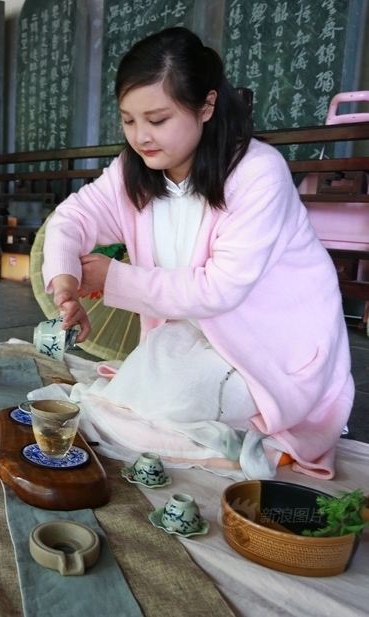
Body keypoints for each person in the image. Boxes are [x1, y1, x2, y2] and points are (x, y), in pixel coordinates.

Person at [41, 27, 354, 479]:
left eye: (158, 119)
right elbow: (72, 220)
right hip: (190, 333)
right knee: (124, 401)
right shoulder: (134, 171)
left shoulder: (256, 174)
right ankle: (195, 434)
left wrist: (110, 278)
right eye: (129, 120)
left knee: (153, 404)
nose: (141, 136)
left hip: (271, 345)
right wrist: (67, 281)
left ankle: (248, 443)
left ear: (206, 106)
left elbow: (220, 288)